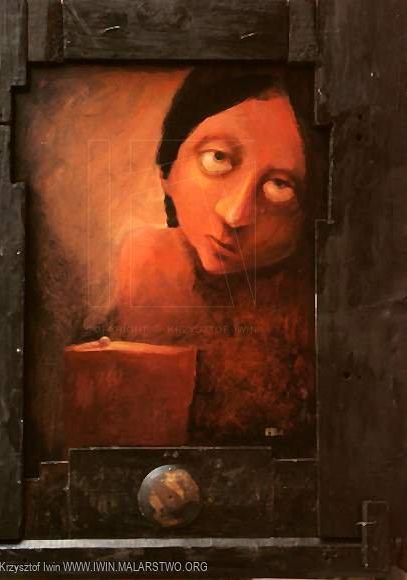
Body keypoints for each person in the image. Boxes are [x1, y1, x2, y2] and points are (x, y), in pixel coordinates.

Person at [109, 66, 316, 449]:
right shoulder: (140, 274)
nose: (235, 214)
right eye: (218, 158)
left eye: (279, 186)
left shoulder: (321, 316)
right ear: (168, 169)